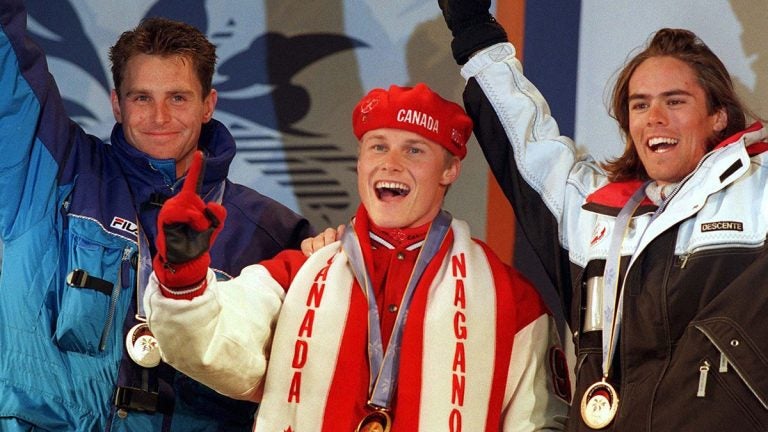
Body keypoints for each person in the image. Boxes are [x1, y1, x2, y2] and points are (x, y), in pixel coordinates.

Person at [143, 83, 570, 431]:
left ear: (450, 170)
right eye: (378, 146)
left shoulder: (510, 302)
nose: (392, 163)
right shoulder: (300, 270)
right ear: (360, 161)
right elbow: (209, 348)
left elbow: (541, 422)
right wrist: (183, 272)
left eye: (415, 149)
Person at [436, 1, 768, 431]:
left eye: (675, 101)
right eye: (640, 105)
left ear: (717, 116)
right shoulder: (594, 209)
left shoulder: (758, 190)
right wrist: (472, 25)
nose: (656, 119)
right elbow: (526, 142)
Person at [0, 1, 312, 431]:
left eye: (178, 98)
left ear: (208, 105)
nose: (160, 116)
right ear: (116, 103)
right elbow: (7, 70)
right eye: (141, 97)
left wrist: (328, 263)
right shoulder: (55, 173)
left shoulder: (273, 233)